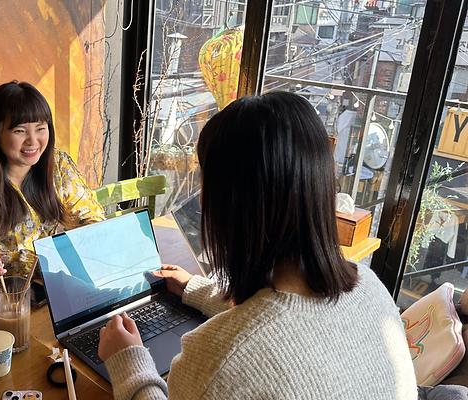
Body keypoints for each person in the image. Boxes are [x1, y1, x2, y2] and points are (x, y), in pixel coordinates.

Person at [97, 92, 418, 399]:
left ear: (229, 206)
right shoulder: (370, 287)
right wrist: (195, 289)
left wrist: (128, 360)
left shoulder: (218, 358)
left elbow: (260, 337)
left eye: (205, 182)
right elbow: (285, 321)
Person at [0, 81, 105, 276]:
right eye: (20, 131)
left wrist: (69, 256)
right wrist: (45, 262)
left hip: (63, 278)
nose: (33, 141)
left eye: (41, 128)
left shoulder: (58, 164)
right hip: (10, 292)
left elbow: (92, 218)